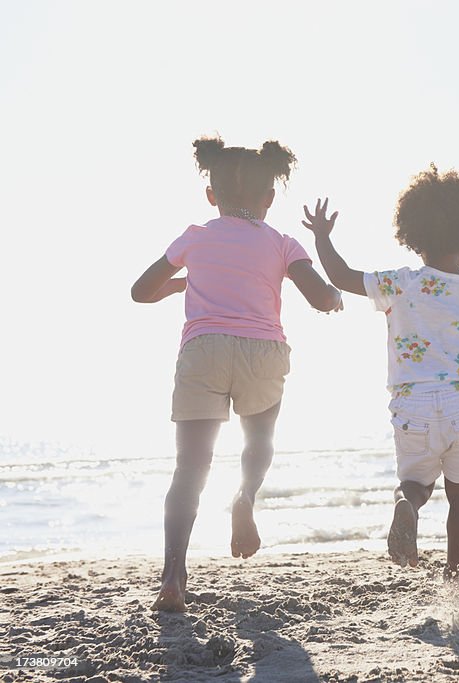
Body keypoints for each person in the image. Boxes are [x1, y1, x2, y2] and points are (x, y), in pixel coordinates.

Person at [302, 165, 459, 580]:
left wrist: (322, 238)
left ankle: (408, 506)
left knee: (415, 483)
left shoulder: (400, 283)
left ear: (414, 238)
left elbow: (341, 277)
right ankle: (454, 575)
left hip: (411, 406)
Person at [131, 136, 342, 611]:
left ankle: (173, 575)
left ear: (211, 195)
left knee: (189, 468)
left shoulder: (196, 236)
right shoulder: (284, 243)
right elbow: (319, 297)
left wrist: (186, 282)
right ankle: (245, 494)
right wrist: (336, 299)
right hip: (262, 352)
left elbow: (140, 291)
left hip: (203, 350)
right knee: (259, 438)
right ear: (270, 198)